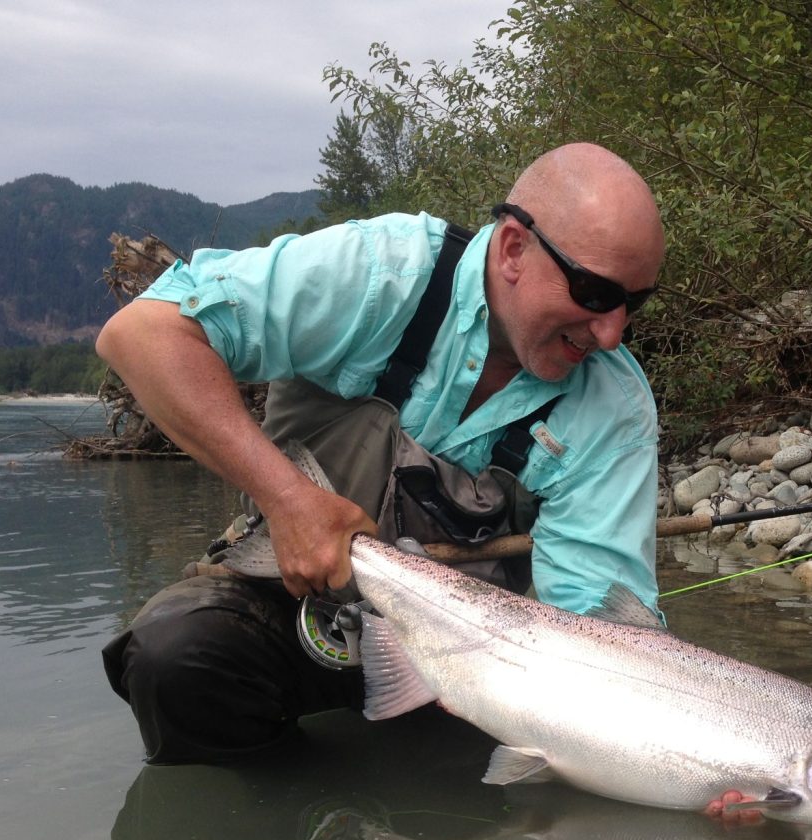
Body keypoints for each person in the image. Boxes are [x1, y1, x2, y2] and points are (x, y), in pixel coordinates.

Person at [96, 142, 666, 765]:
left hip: (472, 663)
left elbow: (596, 629)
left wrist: (685, 766)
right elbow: (145, 334)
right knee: (175, 659)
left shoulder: (614, 405)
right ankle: (271, 823)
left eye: (631, 305)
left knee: (513, 779)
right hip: (294, 608)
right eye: (592, 291)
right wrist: (288, 499)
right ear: (512, 250)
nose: (611, 332)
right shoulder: (384, 272)